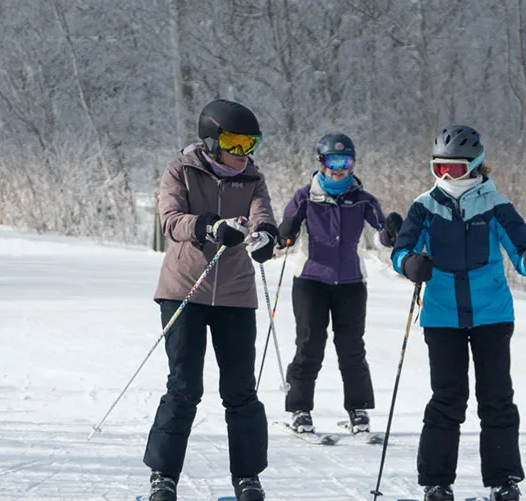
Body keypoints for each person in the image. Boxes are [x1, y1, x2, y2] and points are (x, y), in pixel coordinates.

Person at [390, 125, 526, 501]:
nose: (446, 176)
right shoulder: (424, 206)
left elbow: (520, 250)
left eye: (455, 169)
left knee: (496, 397)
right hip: (442, 315)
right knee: (448, 398)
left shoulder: (496, 205)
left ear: (475, 166)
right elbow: (400, 251)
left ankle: (503, 479)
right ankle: (436, 481)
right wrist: (409, 263)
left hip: (491, 314)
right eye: (439, 168)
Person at [145, 98, 279, 501]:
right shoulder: (180, 171)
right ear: (211, 140)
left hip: (236, 295)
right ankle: (163, 476)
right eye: (235, 144)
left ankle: (248, 477)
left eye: (250, 144)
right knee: (184, 387)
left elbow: (263, 215)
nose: (244, 154)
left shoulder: (252, 179)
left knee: (240, 389)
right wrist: (211, 226)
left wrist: (264, 238)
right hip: (185, 289)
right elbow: (170, 221)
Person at [274, 132, 404, 438]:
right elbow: (285, 234)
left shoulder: (363, 199)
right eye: (333, 160)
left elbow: (379, 237)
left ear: (353, 163)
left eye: (345, 161)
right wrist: (287, 231)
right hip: (310, 281)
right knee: (309, 345)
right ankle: (300, 409)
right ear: (321, 162)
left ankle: (358, 410)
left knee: (351, 347)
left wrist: (392, 233)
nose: (339, 168)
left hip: (351, 282)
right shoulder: (305, 196)